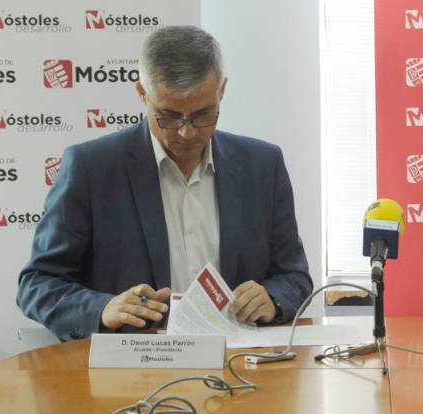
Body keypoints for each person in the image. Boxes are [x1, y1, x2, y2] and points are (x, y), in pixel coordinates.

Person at [17, 26, 313, 341]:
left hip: (239, 361)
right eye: (169, 116)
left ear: (222, 91)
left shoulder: (262, 165)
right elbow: (38, 284)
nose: (187, 132)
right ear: (142, 93)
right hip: (132, 364)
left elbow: (294, 276)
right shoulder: (91, 168)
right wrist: (103, 309)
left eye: (203, 114)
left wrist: (271, 298)